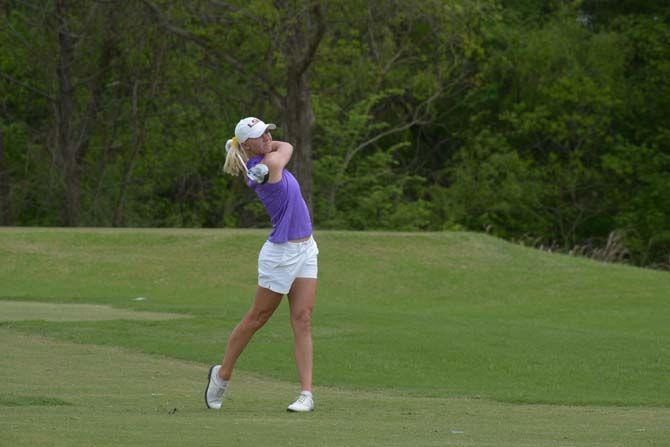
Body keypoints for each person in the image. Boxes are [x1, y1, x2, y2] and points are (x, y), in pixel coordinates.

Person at [205, 117, 319, 412]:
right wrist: (266, 166)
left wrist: (262, 161)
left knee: (303, 319)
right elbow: (283, 154)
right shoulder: (263, 171)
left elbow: (287, 145)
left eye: (268, 131)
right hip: (281, 254)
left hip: (306, 249)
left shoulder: (265, 162)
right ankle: (222, 374)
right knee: (257, 318)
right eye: (260, 135)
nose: (268, 136)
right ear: (246, 145)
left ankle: (306, 394)